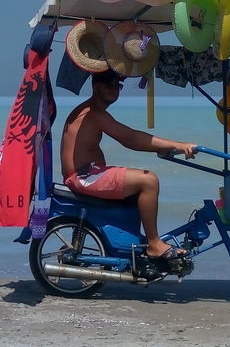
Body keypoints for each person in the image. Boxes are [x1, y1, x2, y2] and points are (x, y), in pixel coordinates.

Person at [61, 69, 197, 258]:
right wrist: (179, 145)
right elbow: (130, 138)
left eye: (118, 85)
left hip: (87, 173)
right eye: (108, 84)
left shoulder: (91, 111)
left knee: (137, 183)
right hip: (83, 177)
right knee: (148, 180)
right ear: (95, 86)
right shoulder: (92, 113)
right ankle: (154, 244)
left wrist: (163, 147)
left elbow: (129, 137)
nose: (114, 89)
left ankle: (134, 244)